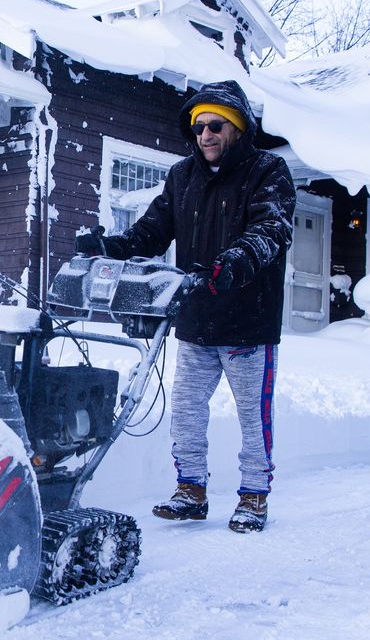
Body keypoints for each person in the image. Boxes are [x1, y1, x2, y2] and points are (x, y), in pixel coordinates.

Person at [75, 80, 295, 532]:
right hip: (196, 317)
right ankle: (190, 489)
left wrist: (235, 261)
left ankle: (254, 494)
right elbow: (151, 233)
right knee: (188, 411)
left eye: (215, 126)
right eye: (198, 129)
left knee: (253, 416)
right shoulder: (182, 177)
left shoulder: (267, 171)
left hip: (248, 320)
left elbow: (272, 229)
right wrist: (108, 247)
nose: (206, 136)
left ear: (236, 128)